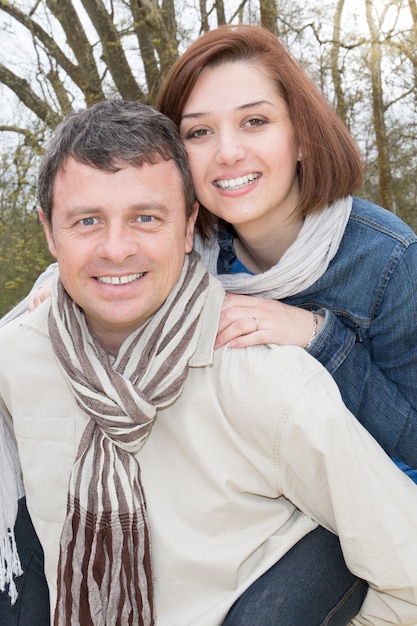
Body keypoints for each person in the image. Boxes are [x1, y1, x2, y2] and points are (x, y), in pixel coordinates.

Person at [1, 100, 417, 626]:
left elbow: (408, 575)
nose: (116, 248)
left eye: (146, 218)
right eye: (86, 221)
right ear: (48, 231)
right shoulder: (15, 361)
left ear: (189, 223)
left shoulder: (265, 380)